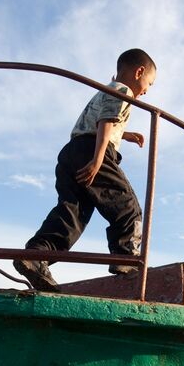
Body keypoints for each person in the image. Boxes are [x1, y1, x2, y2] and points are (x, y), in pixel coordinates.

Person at [14, 49, 157, 292]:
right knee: (127, 206)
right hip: (93, 150)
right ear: (139, 72)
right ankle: (127, 261)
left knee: (73, 213)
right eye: (149, 83)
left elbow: (103, 121)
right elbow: (105, 124)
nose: (147, 90)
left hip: (71, 152)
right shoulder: (122, 90)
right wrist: (97, 160)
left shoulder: (106, 91)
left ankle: (36, 255)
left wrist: (127, 135)